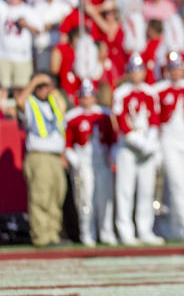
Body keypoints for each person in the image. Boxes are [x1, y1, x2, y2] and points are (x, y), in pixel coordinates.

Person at [113, 54, 164, 246]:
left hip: (147, 145)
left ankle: (145, 229)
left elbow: (155, 119)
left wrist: (151, 142)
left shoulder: (150, 92)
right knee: (125, 189)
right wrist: (139, 142)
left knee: (146, 189)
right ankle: (125, 229)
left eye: (139, 70)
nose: (136, 74)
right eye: (133, 71)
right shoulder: (121, 93)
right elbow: (121, 122)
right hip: (128, 146)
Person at [154, 51, 184, 242]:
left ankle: (175, 229)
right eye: (172, 69)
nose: (175, 72)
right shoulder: (158, 90)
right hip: (169, 140)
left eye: (178, 68)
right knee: (177, 185)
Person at [64, 79, 117, 246]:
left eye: (90, 96)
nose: (87, 100)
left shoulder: (104, 114)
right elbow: (66, 144)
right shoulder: (72, 117)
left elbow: (112, 140)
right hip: (84, 161)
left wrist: (111, 156)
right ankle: (87, 232)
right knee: (85, 199)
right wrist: (75, 161)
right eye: (84, 96)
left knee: (105, 198)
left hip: (101, 160)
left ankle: (106, 231)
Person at [17, 72, 67, 247]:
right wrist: (34, 82)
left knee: (57, 195)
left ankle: (53, 234)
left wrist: (63, 156)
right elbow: (19, 101)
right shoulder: (31, 102)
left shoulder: (54, 102)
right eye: (41, 86)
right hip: (39, 156)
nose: (45, 88)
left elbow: (62, 122)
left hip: (55, 156)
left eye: (47, 85)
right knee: (41, 196)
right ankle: (41, 236)